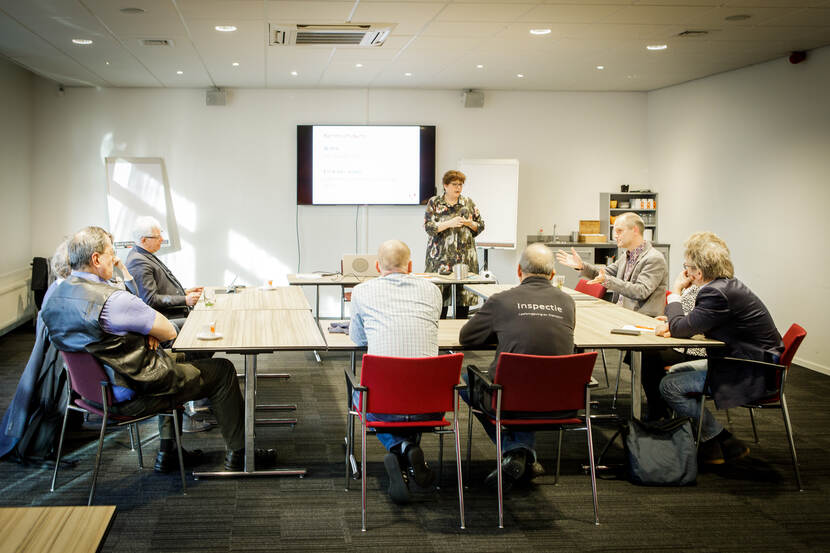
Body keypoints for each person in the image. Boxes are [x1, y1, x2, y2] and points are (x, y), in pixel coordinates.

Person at [39, 226, 262, 473]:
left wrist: (143, 332)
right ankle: (242, 455)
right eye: (111, 253)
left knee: (180, 358)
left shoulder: (55, 297)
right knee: (221, 370)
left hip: (92, 393)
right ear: (96, 259)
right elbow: (168, 331)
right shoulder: (112, 301)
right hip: (133, 388)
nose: (115, 259)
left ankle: (168, 452)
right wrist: (148, 333)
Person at [655, 231, 784, 464]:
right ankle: (716, 441)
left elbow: (680, 329)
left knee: (669, 385)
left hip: (747, 369)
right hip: (750, 360)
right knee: (675, 371)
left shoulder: (714, 293)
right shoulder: (727, 286)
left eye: (687, 267)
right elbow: (690, 324)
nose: (686, 272)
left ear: (698, 272)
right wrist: (681, 323)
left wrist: (675, 294)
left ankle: (715, 438)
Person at [459, 243, 575, 491]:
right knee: (530, 381)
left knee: (464, 380)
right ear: (553, 275)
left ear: (519, 271)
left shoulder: (502, 300)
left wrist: (501, 332)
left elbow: (467, 338)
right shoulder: (567, 302)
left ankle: (516, 450)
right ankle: (522, 454)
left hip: (511, 399)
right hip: (562, 400)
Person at [349, 240, 443, 504]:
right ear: (411, 266)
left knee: (364, 393)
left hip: (383, 405)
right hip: (431, 405)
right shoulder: (433, 290)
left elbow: (357, 339)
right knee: (412, 389)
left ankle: (399, 446)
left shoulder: (362, 291)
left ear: (377, 267)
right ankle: (408, 448)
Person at [556, 212, 669, 418]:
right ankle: (572, 393)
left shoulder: (654, 259)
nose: (615, 236)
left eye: (619, 231)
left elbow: (641, 290)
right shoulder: (627, 255)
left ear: (635, 230)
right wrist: (582, 267)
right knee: (577, 332)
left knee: (581, 335)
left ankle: (659, 411)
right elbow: (606, 273)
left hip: (642, 322)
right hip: (622, 317)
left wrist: (607, 281)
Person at [424, 170, 485, 319]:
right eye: (454, 184)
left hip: (464, 260)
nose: (458, 188)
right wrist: (449, 223)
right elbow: (429, 227)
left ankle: (460, 339)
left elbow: (480, 226)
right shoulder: (435, 203)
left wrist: (470, 223)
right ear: (445, 185)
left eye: (460, 184)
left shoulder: (468, 203)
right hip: (440, 261)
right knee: (440, 305)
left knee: (462, 305)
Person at [126, 216, 203, 332]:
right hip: (166, 318)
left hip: (173, 313)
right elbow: (150, 300)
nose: (162, 239)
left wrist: (184, 292)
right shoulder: (138, 262)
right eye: (157, 237)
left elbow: (160, 287)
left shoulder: (144, 255)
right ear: (143, 240)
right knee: (202, 323)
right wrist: (185, 300)